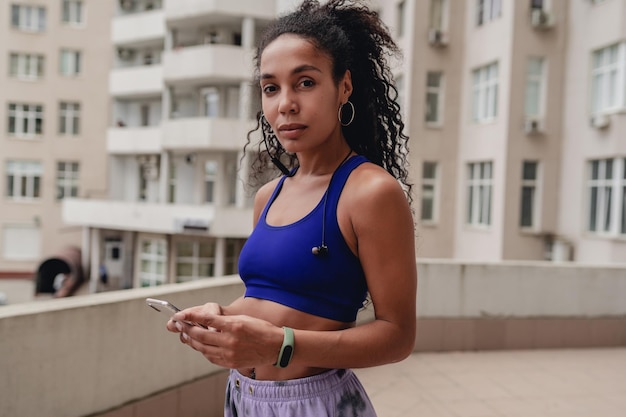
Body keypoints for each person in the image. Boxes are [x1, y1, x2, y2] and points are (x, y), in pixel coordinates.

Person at [166, 1, 417, 415]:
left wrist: (281, 345)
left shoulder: (370, 192)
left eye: (304, 83)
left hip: (315, 403)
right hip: (243, 397)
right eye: (271, 88)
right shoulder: (269, 196)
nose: (285, 104)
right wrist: (222, 316)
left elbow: (398, 337)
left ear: (344, 87)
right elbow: (269, 298)